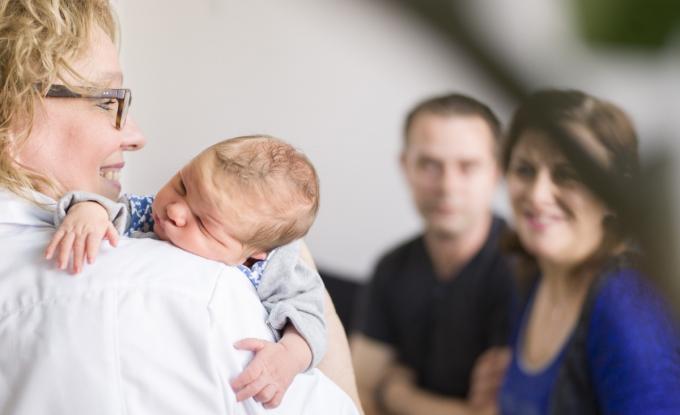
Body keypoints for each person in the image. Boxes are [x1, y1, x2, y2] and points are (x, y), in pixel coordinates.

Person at [0, 0, 360, 413]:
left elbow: (305, 319)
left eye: (206, 222)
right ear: (13, 115)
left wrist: (291, 353)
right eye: (106, 101)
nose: (136, 136)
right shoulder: (198, 295)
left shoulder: (276, 272)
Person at [46, 135, 329, 400]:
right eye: (182, 185)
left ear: (254, 253)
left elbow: (310, 316)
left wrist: (289, 356)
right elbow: (112, 209)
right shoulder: (147, 214)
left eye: (204, 223)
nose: (175, 210)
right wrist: (89, 211)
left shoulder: (276, 266)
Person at [498, 89, 680, 414]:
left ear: (613, 195)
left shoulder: (628, 307)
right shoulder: (533, 276)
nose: (538, 195)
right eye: (525, 170)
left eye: (567, 175)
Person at [351, 93, 516, 415]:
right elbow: (356, 392)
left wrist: (398, 395)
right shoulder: (392, 267)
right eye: (429, 165)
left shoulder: (522, 270)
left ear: (496, 171)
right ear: (405, 166)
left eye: (468, 167)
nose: (447, 186)